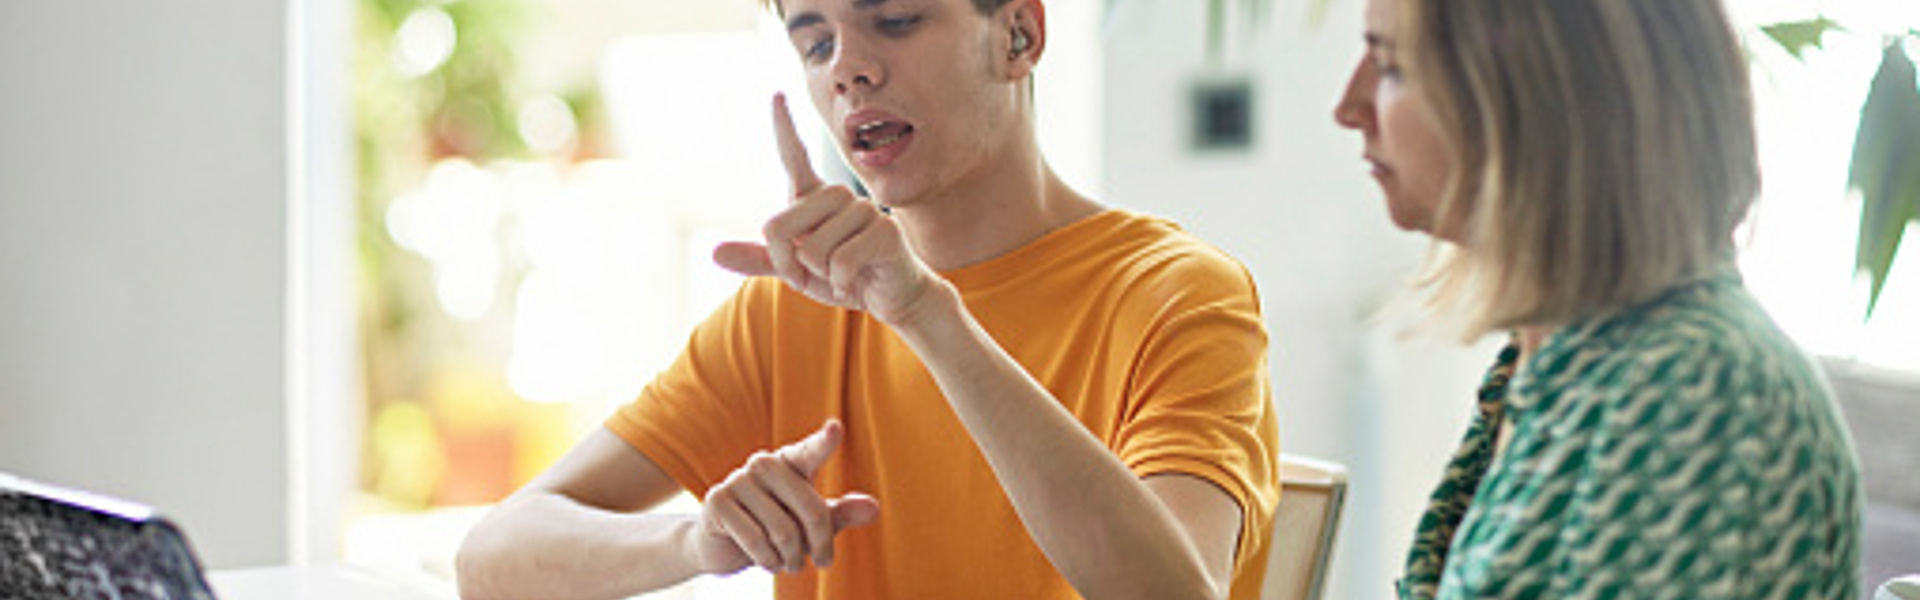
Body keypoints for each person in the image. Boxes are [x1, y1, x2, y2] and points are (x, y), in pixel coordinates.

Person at [455, 1, 1281, 599]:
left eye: (894, 21)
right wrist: (694, 541)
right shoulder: (793, 309)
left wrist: (926, 313)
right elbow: (493, 559)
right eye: (814, 42)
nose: (848, 67)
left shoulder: (1179, 294)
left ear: (1020, 35)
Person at [1333, 0, 1863, 597]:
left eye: (1394, 66)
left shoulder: (1693, 386)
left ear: (1545, 101)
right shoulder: (1556, 361)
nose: (1349, 108)